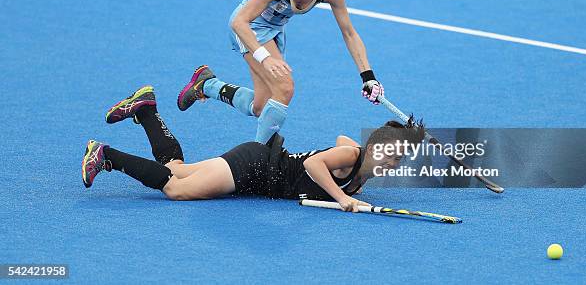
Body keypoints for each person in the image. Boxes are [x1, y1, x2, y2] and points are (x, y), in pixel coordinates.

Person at [176, 0, 384, 144]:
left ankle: (207, 84)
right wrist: (265, 57)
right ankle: (256, 159)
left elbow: (349, 33)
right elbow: (239, 22)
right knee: (285, 87)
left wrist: (368, 76)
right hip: (250, 28)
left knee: (261, 107)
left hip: (274, 32)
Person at [85, 86, 424, 212]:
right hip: (256, 166)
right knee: (176, 190)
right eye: (391, 155)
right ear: (375, 147)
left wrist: (405, 137)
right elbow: (314, 167)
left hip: (258, 169)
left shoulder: (357, 159)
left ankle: (146, 111)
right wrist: (343, 198)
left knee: (175, 169)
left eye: (399, 160)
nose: (393, 165)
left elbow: (341, 137)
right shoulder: (352, 158)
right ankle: (107, 156)